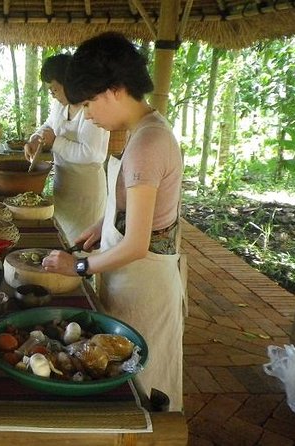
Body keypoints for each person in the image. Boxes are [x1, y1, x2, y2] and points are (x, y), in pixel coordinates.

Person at [40, 32, 186, 411]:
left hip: (145, 285)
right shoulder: (146, 131)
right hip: (133, 279)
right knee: (120, 363)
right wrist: (103, 224)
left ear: (116, 90)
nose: (88, 114)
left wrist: (79, 266)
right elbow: (139, 208)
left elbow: (137, 244)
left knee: (142, 383)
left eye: (89, 103)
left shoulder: (148, 145)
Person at [24, 54, 109, 246]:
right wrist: (35, 139)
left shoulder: (91, 108)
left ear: (70, 83)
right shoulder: (60, 105)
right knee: (63, 238)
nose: (52, 94)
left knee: (84, 245)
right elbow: (49, 125)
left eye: (55, 89)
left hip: (86, 192)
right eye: (50, 90)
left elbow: (91, 153)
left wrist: (55, 143)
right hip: (63, 185)